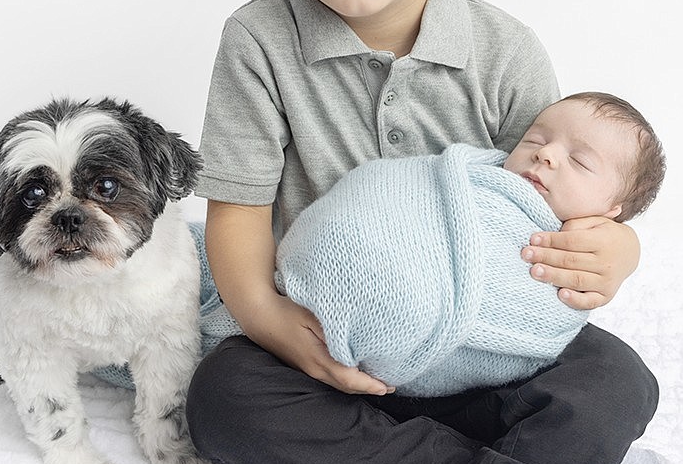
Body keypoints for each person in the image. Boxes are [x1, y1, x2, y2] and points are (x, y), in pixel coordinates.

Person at [186, 0, 675, 464]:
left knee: (615, 380)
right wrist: (276, 324)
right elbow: (238, 210)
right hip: (333, 340)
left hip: (480, 341)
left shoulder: (502, 48)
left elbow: (564, 195)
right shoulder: (257, 41)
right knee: (222, 400)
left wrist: (617, 246)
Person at [274, 92, 666, 398]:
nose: (544, 153)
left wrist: (626, 246)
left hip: (451, 377)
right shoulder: (469, 176)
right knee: (228, 390)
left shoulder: (567, 261)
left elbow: (538, 315)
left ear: (612, 210)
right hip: (295, 329)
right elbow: (380, 193)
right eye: (535, 139)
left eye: (579, 162)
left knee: (621, 385)